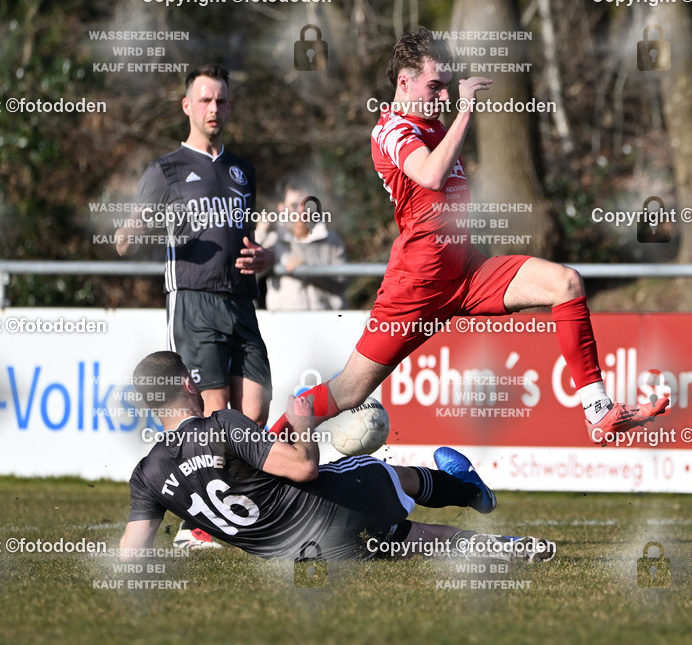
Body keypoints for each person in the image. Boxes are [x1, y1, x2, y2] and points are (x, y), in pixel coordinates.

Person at [269, 28, 668, 444]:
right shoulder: (390, 130)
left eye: (447, 88)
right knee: (348, 391)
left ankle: (598, 409)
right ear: (404, 83)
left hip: (468, 272)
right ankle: (265, 445)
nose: (444, 97)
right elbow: (430, 174)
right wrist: (464, 111)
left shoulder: (437, 127)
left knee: (566, 282)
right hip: (416, 288)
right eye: (435, 87)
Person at [120, 351, 556, 562]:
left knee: (404, 536)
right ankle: (470, 492)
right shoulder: (224, 425)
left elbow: (130, 552)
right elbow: (304, 467)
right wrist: (304, 422)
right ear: (188, 384)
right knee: (383, 473)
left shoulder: (147, 474)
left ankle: (503, 548)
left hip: (305, 556)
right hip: (329, 509)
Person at [115, 64, 275, 549]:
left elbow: (250, 240)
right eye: (205, 100)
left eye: (222, 101)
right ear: (187, 105)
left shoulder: (243, 169)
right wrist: (137, 228)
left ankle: (224, 508)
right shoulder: (164, 170)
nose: (214, 109)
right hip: (193, 299)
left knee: (254, 412)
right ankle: (197, 522)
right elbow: (124, 240)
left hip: (242, 300)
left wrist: (265, 258)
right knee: (215, 412)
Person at [255, 174, 348, 311]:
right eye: (294, 205)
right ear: (281, 208)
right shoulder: (272, 238)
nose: (302, 211)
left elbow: (343, 283)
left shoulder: (332, 240)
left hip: (328, 324)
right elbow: (249, 272)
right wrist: (260, 233)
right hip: (284, 324)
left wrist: (309, 271)